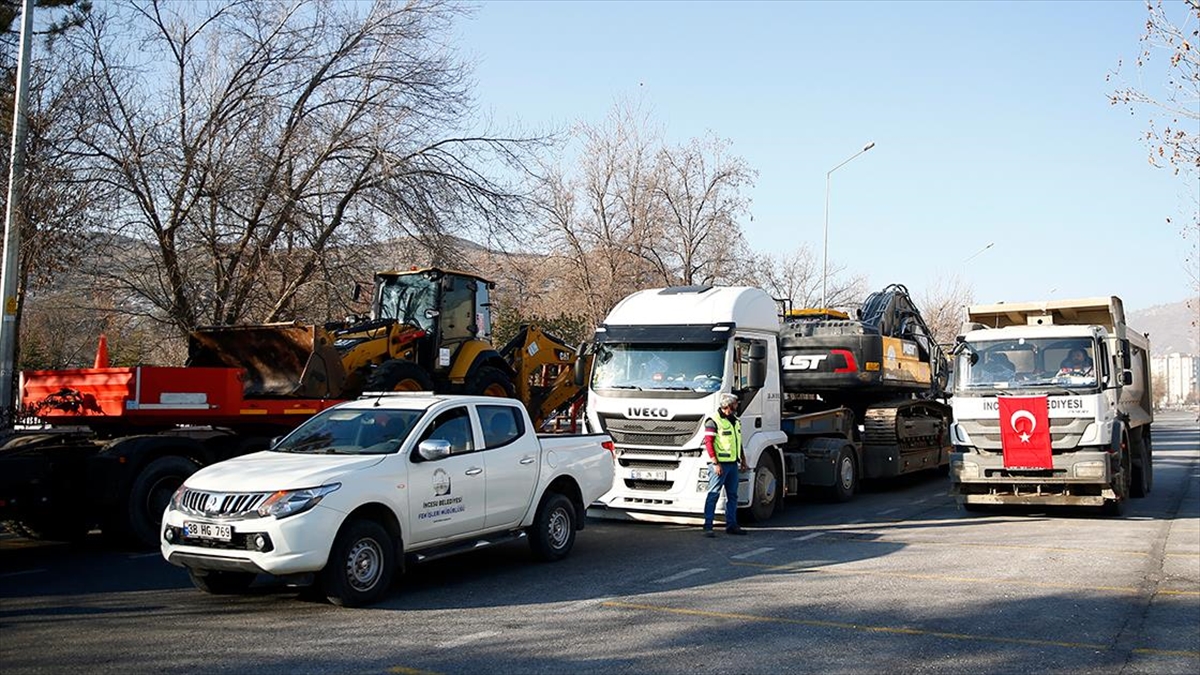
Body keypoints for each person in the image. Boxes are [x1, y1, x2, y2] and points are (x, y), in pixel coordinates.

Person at [702, 393, 749, 537]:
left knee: (733, 495)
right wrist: (715, 463)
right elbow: (708, 443)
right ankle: (708, 526)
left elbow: (738, 441)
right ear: (728, 405)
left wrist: (743, 459)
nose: (737, 406)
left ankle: (732, 525)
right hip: (720, 465)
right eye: (735, 404)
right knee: (713, 495)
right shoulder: (713, 421)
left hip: (732, 464)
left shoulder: (735, 421)